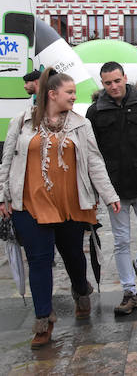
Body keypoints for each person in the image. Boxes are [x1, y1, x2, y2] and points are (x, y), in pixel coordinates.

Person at [0, 69, 121, 349]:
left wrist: (109, 195)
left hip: (70, 204)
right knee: (39, 261)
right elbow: (6, 161)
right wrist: (2, 196)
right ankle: (44, 320)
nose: (74, 96)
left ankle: (81, 288)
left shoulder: (80, 124)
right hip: (29, 204)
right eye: (69, 92)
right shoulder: (21, 122)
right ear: (52, 94)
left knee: (73, 255)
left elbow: (94, 162)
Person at [86, 61, 137, 316]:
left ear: (125, 78)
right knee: (121, 241)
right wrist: (100, 188)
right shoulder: (95, 112)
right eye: (108, 82)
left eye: (117, 81)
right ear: (103, 84)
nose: (113, 86)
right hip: (116, 188)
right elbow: (91, 152)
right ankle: (130, 292)